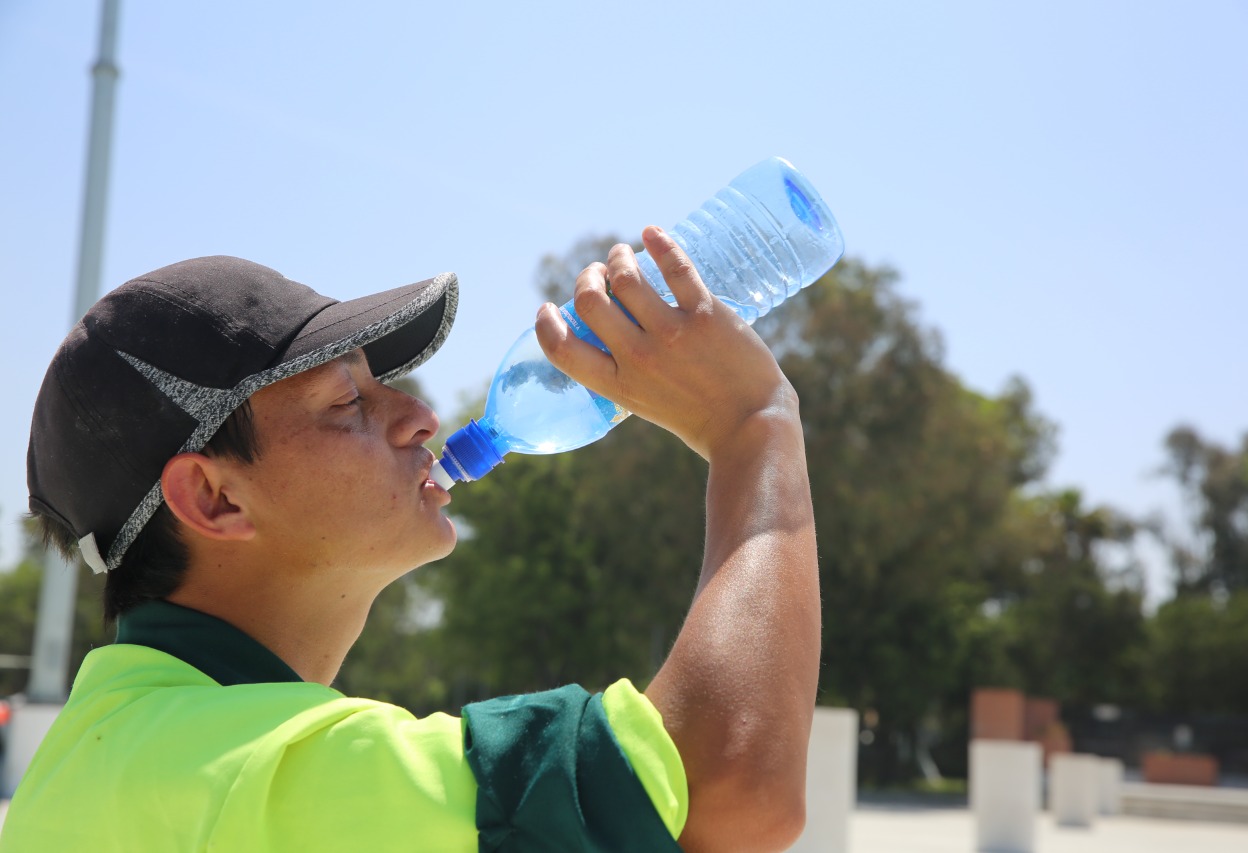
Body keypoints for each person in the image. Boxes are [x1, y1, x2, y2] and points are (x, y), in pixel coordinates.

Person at [1, 226, 820, 852]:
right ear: (213, 497)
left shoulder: (82, 765)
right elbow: (724, 787)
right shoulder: (264, 771)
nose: (419, 415)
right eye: (344, 402)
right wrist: (755, 425)